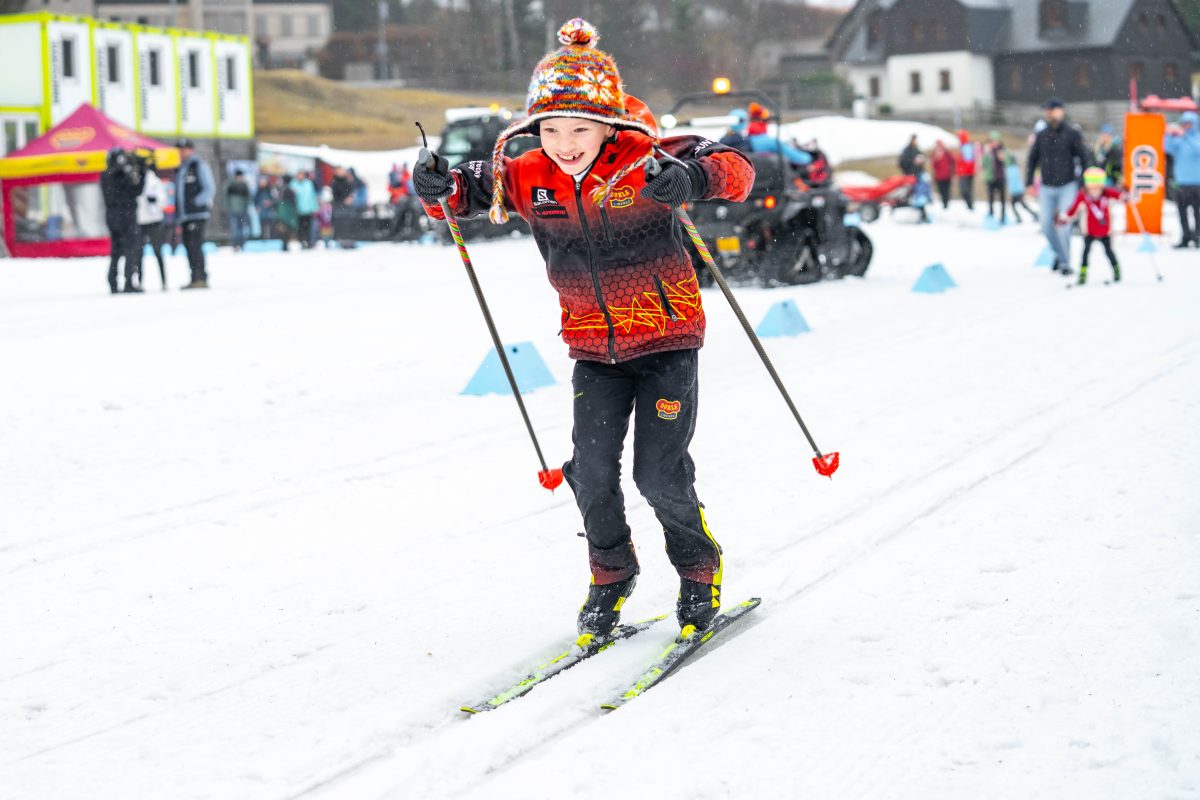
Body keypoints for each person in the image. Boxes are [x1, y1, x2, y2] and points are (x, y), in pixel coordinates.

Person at [414, 18, 754, 638]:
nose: (564, 144)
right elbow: (465, 192)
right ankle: (612, 570)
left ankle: (697, 567)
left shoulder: (647, 159)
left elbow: (735, 168)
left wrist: (694, 178)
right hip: (593, 349)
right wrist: (440, 186)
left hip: (667, 340)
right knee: (591, 473)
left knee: (658, 473)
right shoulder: (529, 173)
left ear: (607, 125)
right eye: (549, 130)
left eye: (579, 129)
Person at [1027, 98, 1091, 275]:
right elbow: (1032, 159)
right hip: (1046, 186)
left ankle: (1065, 262)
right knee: (1045, 225)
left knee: (1064, 224)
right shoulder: (1042, 135)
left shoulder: (1072, 133)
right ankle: (1059, 254)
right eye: (1047, 111)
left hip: (1067, 186)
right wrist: (1029, 182)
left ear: (1061, 111)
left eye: (1052, 110)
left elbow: (1085, 157)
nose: (1050, 114)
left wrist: (1084, 182)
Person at [1057, 167, 1124, 285]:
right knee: (1085, 252)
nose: (1094, 191)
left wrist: (1126, 195)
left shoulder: (1107, 194)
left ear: (1102, 187)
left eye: (1097, 188)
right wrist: (1064, 218)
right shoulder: (1083, 195)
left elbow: (1120, 196)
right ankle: (1083, 274)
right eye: (1092, 188)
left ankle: (1116, 271)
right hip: (1089, 232)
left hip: (1105, 231)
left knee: (1109, 252)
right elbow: (1073, 209)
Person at [100, 147, 146, 294]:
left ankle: (113, 282)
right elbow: (135, 190)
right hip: (125, 216)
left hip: (113, 216)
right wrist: (139, 170)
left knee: (116, 251)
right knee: (130, 249)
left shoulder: (106, 174)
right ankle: (128, 282)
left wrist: (140, 170)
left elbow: (135, 189)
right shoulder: (115, 175)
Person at [174, 138, 215, 289]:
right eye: (180, 149)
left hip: (197, 215)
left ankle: (200, 277)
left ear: (191, 150)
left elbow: (209, 188)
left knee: (195, 246)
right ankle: (194, 277)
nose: (181, 152)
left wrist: (196, 202)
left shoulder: (199, 165)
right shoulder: (181, 167)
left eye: (184, 149)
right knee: (188, 247)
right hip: (184, 215)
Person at [1164, 110, 1200, 249]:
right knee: (1182, 213)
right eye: (1185, 123)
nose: (1187, 126)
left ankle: (1197, 237)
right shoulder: (1179, 140)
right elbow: (1167, 148)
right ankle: (1186, 237)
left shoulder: (1196, 138)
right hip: (1182, 183)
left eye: (1189, 123)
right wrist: (1169, 135)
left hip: (1197, 183)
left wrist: (1186, 136)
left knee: (1197, 212)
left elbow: (1197, 149)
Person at [137, 163, 168, 289]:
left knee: (156, 252)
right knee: (140, 254)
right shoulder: (137, 181)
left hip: (153, 220)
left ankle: (163, 281)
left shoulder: (155, 182)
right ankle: (140, 281)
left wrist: (155, 201)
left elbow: (163, 200)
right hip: (141, 221)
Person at [1004, 153, 1038, 224]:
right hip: (1019, 190)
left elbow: (1011, 181)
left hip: (1016, 191)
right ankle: (1033, 214)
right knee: (1021, 204)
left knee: (1016, 205)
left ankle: (1021, 217)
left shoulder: (1010, 169)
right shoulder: (1015, 168)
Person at [224, 169, 252, 252]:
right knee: (235, 229)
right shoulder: (230, 184)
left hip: (242, 210)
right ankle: (235, 245)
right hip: (233, 211)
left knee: (241, 229)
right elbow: (226, 197)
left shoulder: (244, 185)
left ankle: (241, 244)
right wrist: (228, 207)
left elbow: (248, 197)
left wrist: (246, 207)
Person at [983, 131, 1007, 224]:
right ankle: (991, 214)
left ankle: (1003, 216)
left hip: (1000, 178)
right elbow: (983, 164)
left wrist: (1003, 158)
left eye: (995, 141)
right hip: (991, 178)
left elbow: (1007, 162)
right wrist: (986, 154)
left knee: (1002, 199)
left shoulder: (1002, 150)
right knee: (990, 198)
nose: (994, 143)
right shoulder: (988, 152)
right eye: (992, 141)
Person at [291, 170, 319, 248]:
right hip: (298, 210)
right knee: (300, 227)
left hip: (308, 209)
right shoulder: (293, 184)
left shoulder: (308, 184)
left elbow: (312, 196)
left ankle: (309, 241)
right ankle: (302, 241)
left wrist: (315, 208)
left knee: (308, 227)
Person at [955, 129, 977, 210]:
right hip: (965, 172)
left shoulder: (966, 147)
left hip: (966, 173)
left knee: (965, 190)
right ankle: (970, 206)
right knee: (966, 190)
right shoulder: (963, 146)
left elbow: (968, 161)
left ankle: (970, 206)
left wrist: (963, 171)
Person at [277, 174, 299, 250]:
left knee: (283, 228)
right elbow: (293, 201)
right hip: (288, 211)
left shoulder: (281, 189)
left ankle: (284, 244)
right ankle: (285, 244)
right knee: (287, 228)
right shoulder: (289, 189)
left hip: (282, 211)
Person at [930, 141, 955, 209]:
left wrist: (952, 171)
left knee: (946, 190)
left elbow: (952, 160)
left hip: (947, 176)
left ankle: (946, 203)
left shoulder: (946, 153)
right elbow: (933, 165)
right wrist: (936, 158)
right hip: (939, 177)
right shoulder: (935, 154)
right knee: (941, 190)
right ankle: (944, 203)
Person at [254, 175, 278, 240]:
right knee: (262, 226)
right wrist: (257, 207)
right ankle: (263, 238)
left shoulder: (270, 190)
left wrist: (270, 202)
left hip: (269, 212)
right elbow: (255, 200)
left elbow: (275, 200)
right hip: (262, 212)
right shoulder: (258, 191)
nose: (262, 184)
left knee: (270, 226)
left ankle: (271, 238)